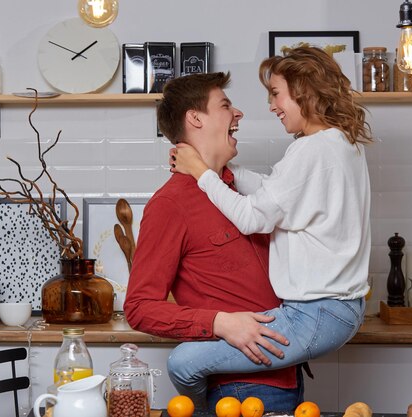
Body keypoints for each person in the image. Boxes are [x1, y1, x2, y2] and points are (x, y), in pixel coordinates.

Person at [168, 46, 373, 406]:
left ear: (303, 90)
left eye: (276, 93)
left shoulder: (312, 151)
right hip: (338, 309)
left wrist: (201, 172)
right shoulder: (339, 143)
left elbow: (253, 217)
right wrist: (219, 171)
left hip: (315, 312)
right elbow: (277, 192)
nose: (272, 105)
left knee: (183, 363)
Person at [124, 72, 303, 411]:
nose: (238, 114)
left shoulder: (242, 192)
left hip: (287, 372)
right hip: (237, 388)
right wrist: (219, 322)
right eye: (225, 106)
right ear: (195, 119)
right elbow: (139, 307)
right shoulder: (170, 204)